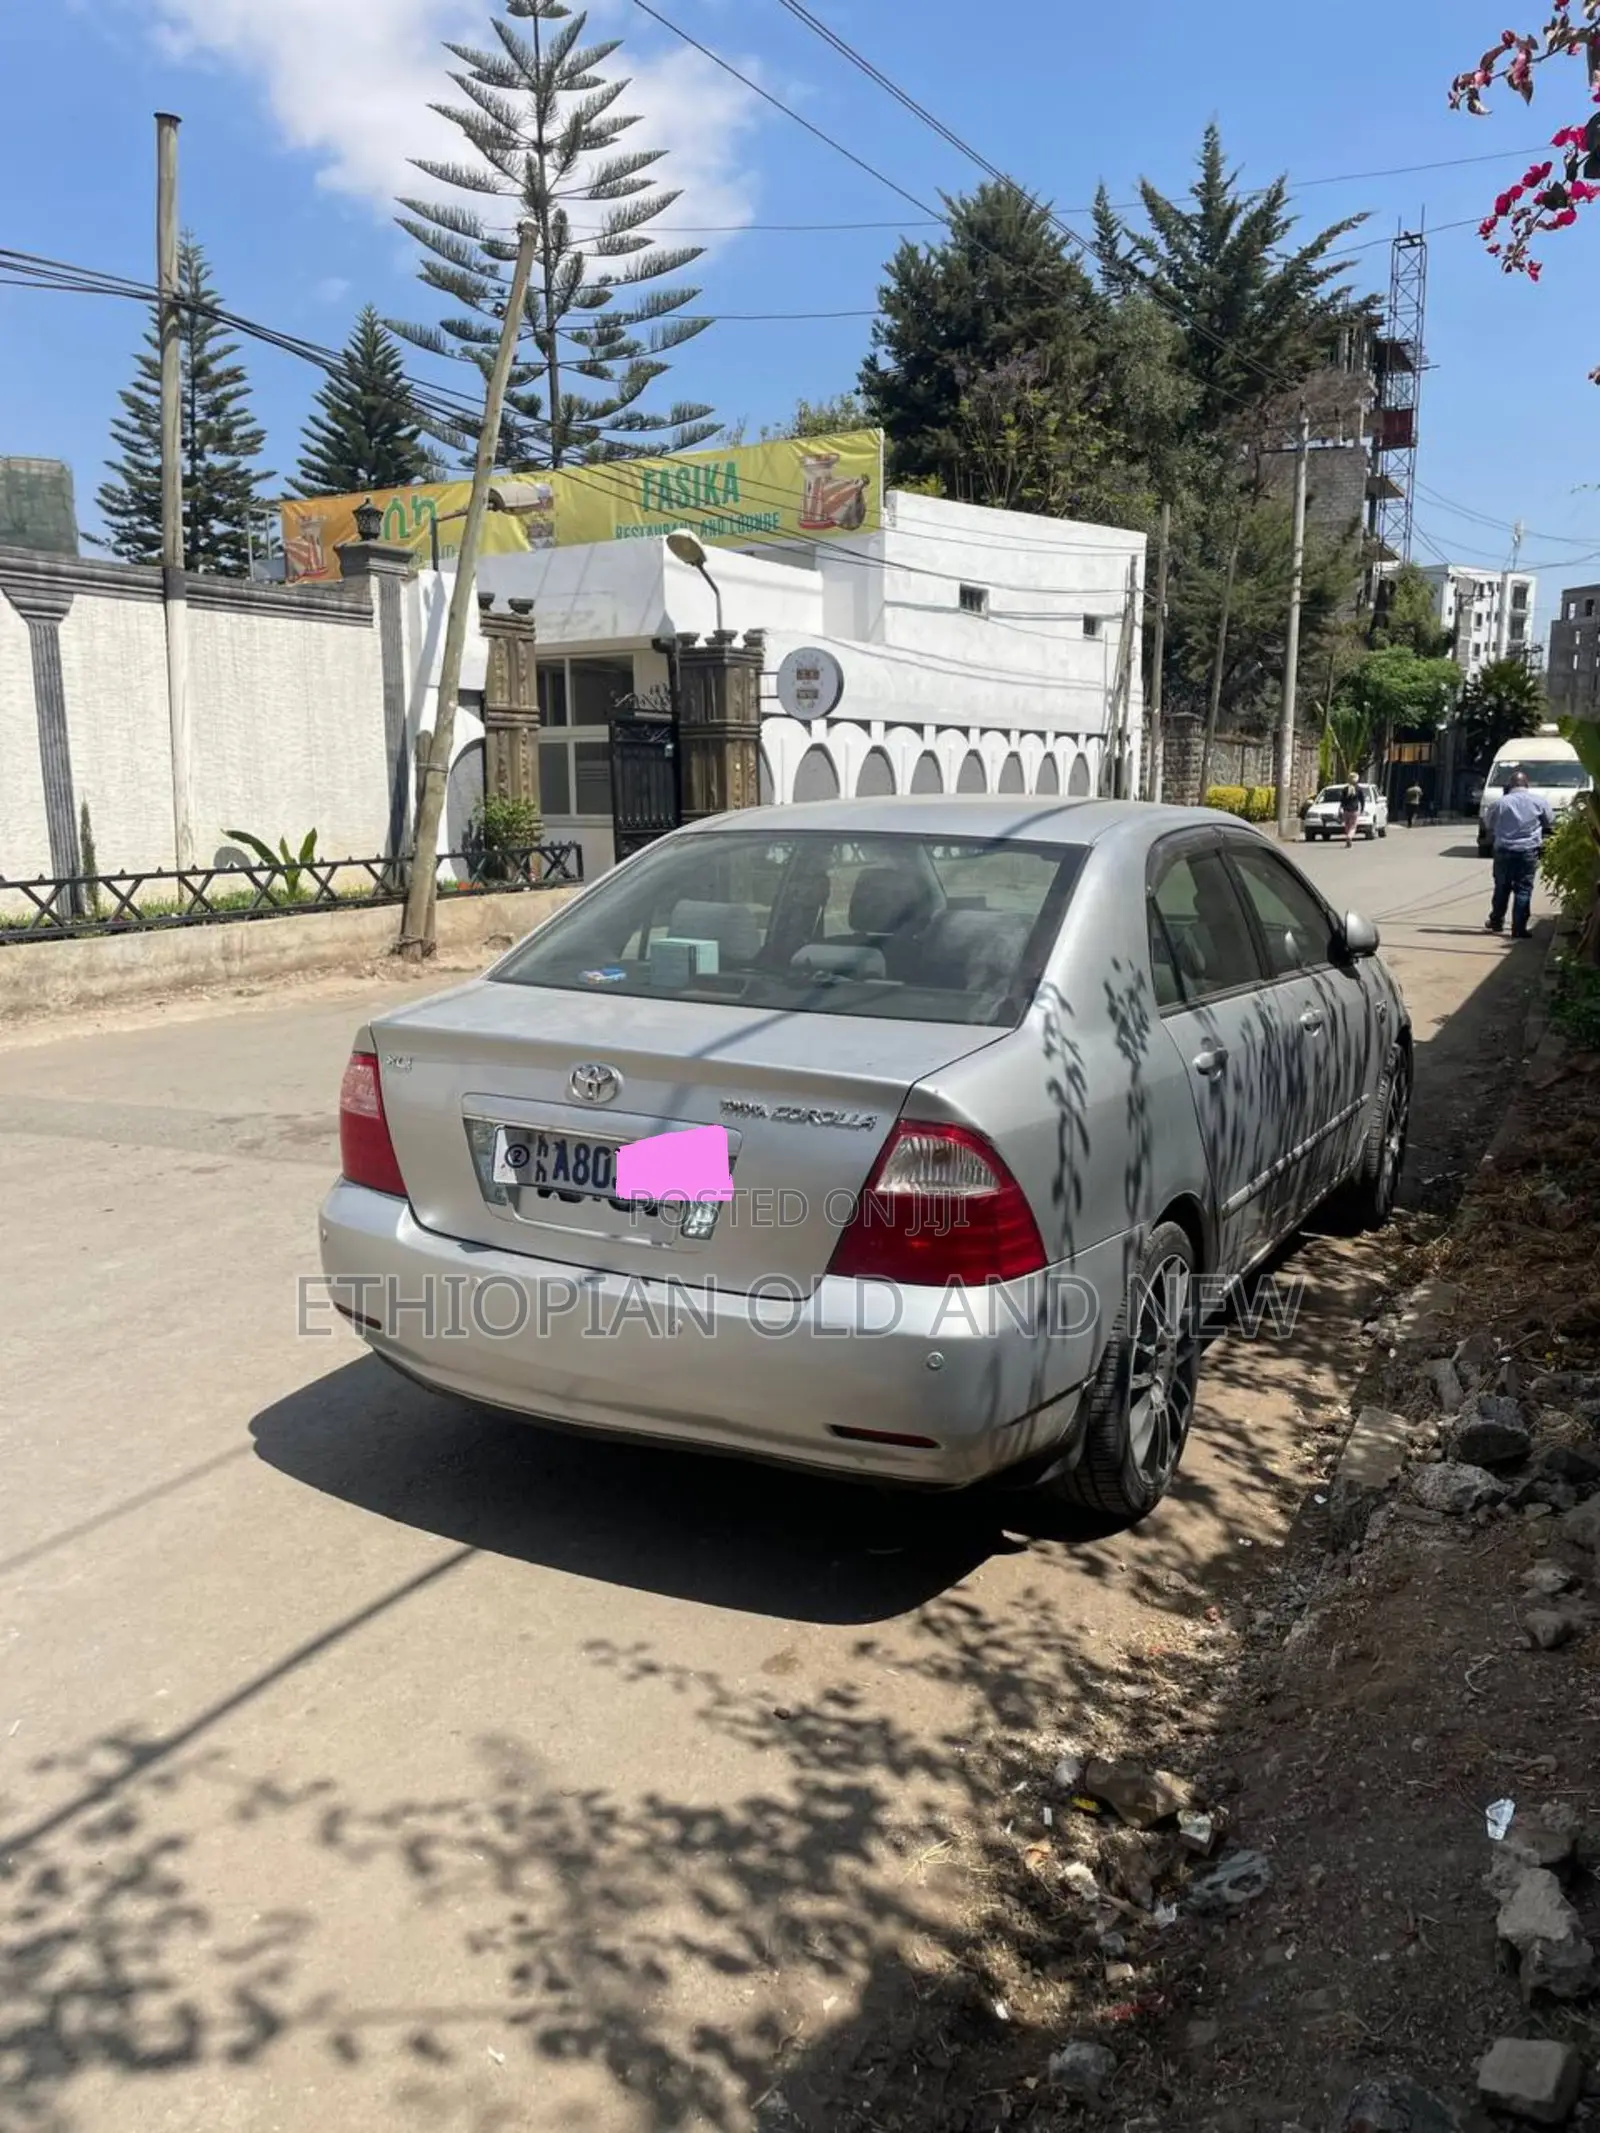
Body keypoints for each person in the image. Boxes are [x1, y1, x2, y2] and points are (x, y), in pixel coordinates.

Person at [1485, 770, 1553, 940]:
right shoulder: (1538, 802)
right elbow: (1549, 821)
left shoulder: (1500, 803)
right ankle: (1519, 928)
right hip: (1528, 851)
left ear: (1510, 785)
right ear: (1526, 784)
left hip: (1503, 851)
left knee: (1502, 886)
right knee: (1523, 889)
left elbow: (1489, 824)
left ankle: (1497, 921)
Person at [1339, 778, 1363, 847]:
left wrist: (1341, 808)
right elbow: (1362, 800)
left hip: (1346, 810)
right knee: (1353, 826)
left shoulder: (1345, 789)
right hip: (1354, 810)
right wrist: (1362, 809)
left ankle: (1347, 840)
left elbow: (1342, 800)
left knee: (1347, 825)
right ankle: (1349, 837)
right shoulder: (1358, 789)